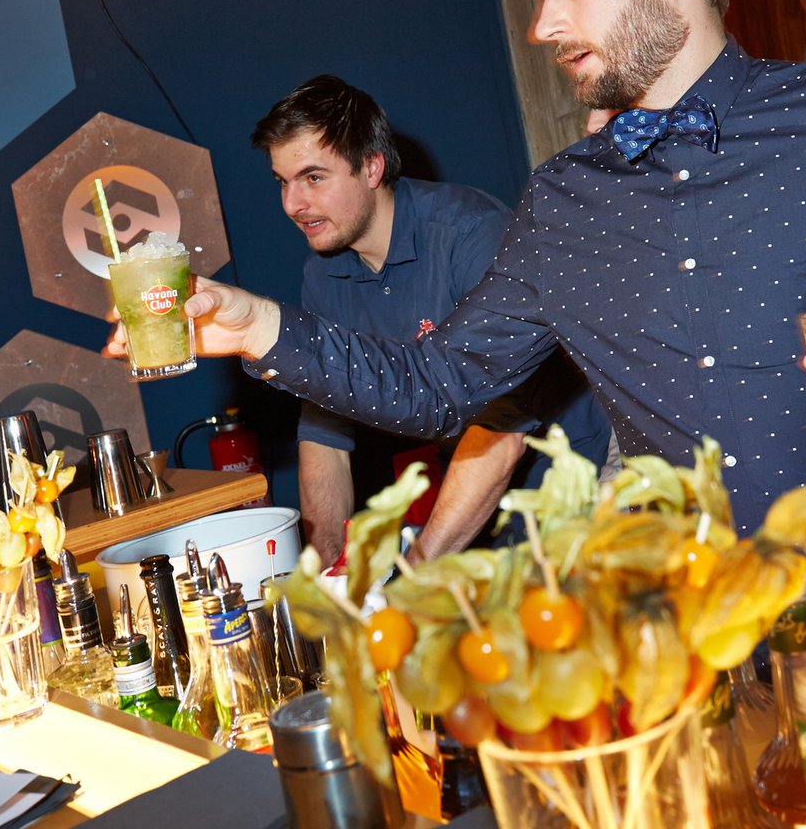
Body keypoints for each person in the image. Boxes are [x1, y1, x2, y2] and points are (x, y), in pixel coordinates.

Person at [113, 0, 806, 654]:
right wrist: (258, 326)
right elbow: (438, 385)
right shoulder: (563, 201)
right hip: (698, 661)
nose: (542, 26)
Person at [247, 75, 609, 565]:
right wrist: (327, 573)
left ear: (371, 167)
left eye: (313, 178)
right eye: (282, 181)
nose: (292, 204)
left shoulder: (470, 232)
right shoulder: (323, 274)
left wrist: (416, 573)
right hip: (477, 493)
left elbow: (500, 433)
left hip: (581, 470)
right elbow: (324, 432)